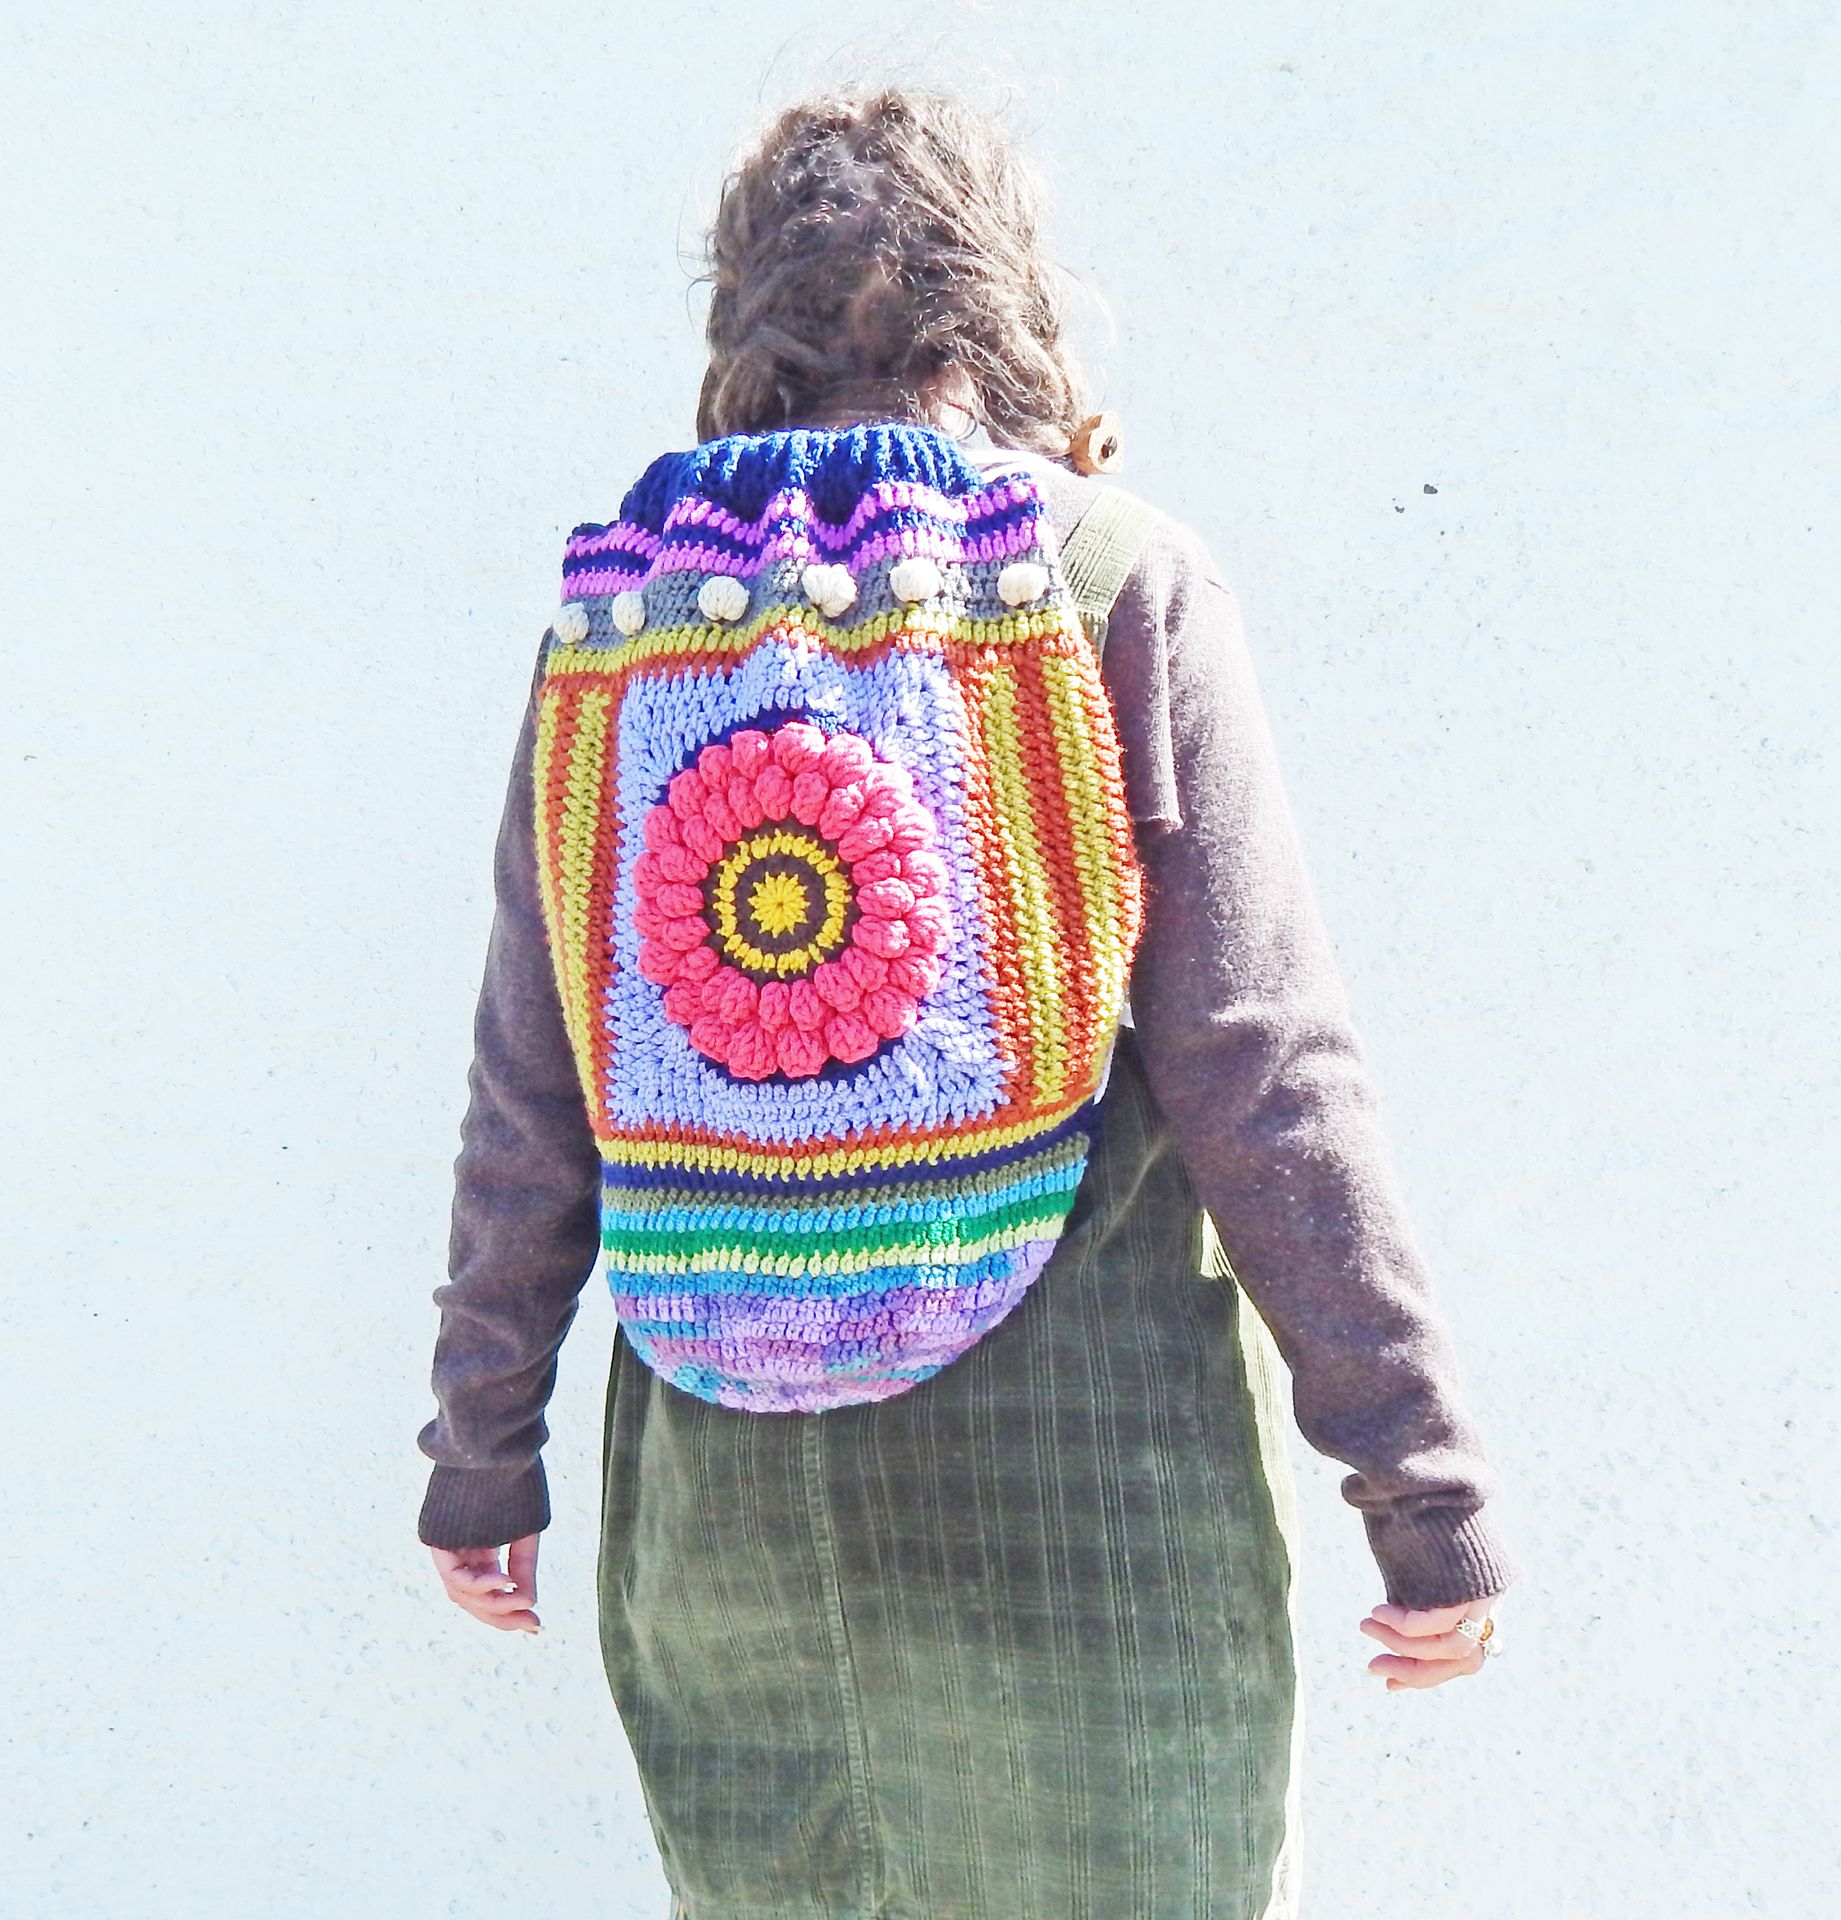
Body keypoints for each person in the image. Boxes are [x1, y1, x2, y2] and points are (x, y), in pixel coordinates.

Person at [415, 84, 1516, 1920]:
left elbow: (533, 1084)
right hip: (1085, 1522)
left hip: (724, 1525)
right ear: (1009, 305)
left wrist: (479, 1446)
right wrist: (1420, 1482)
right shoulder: (1109, 583)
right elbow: (1268, 1073)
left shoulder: (615, 637)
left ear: (739, 320)